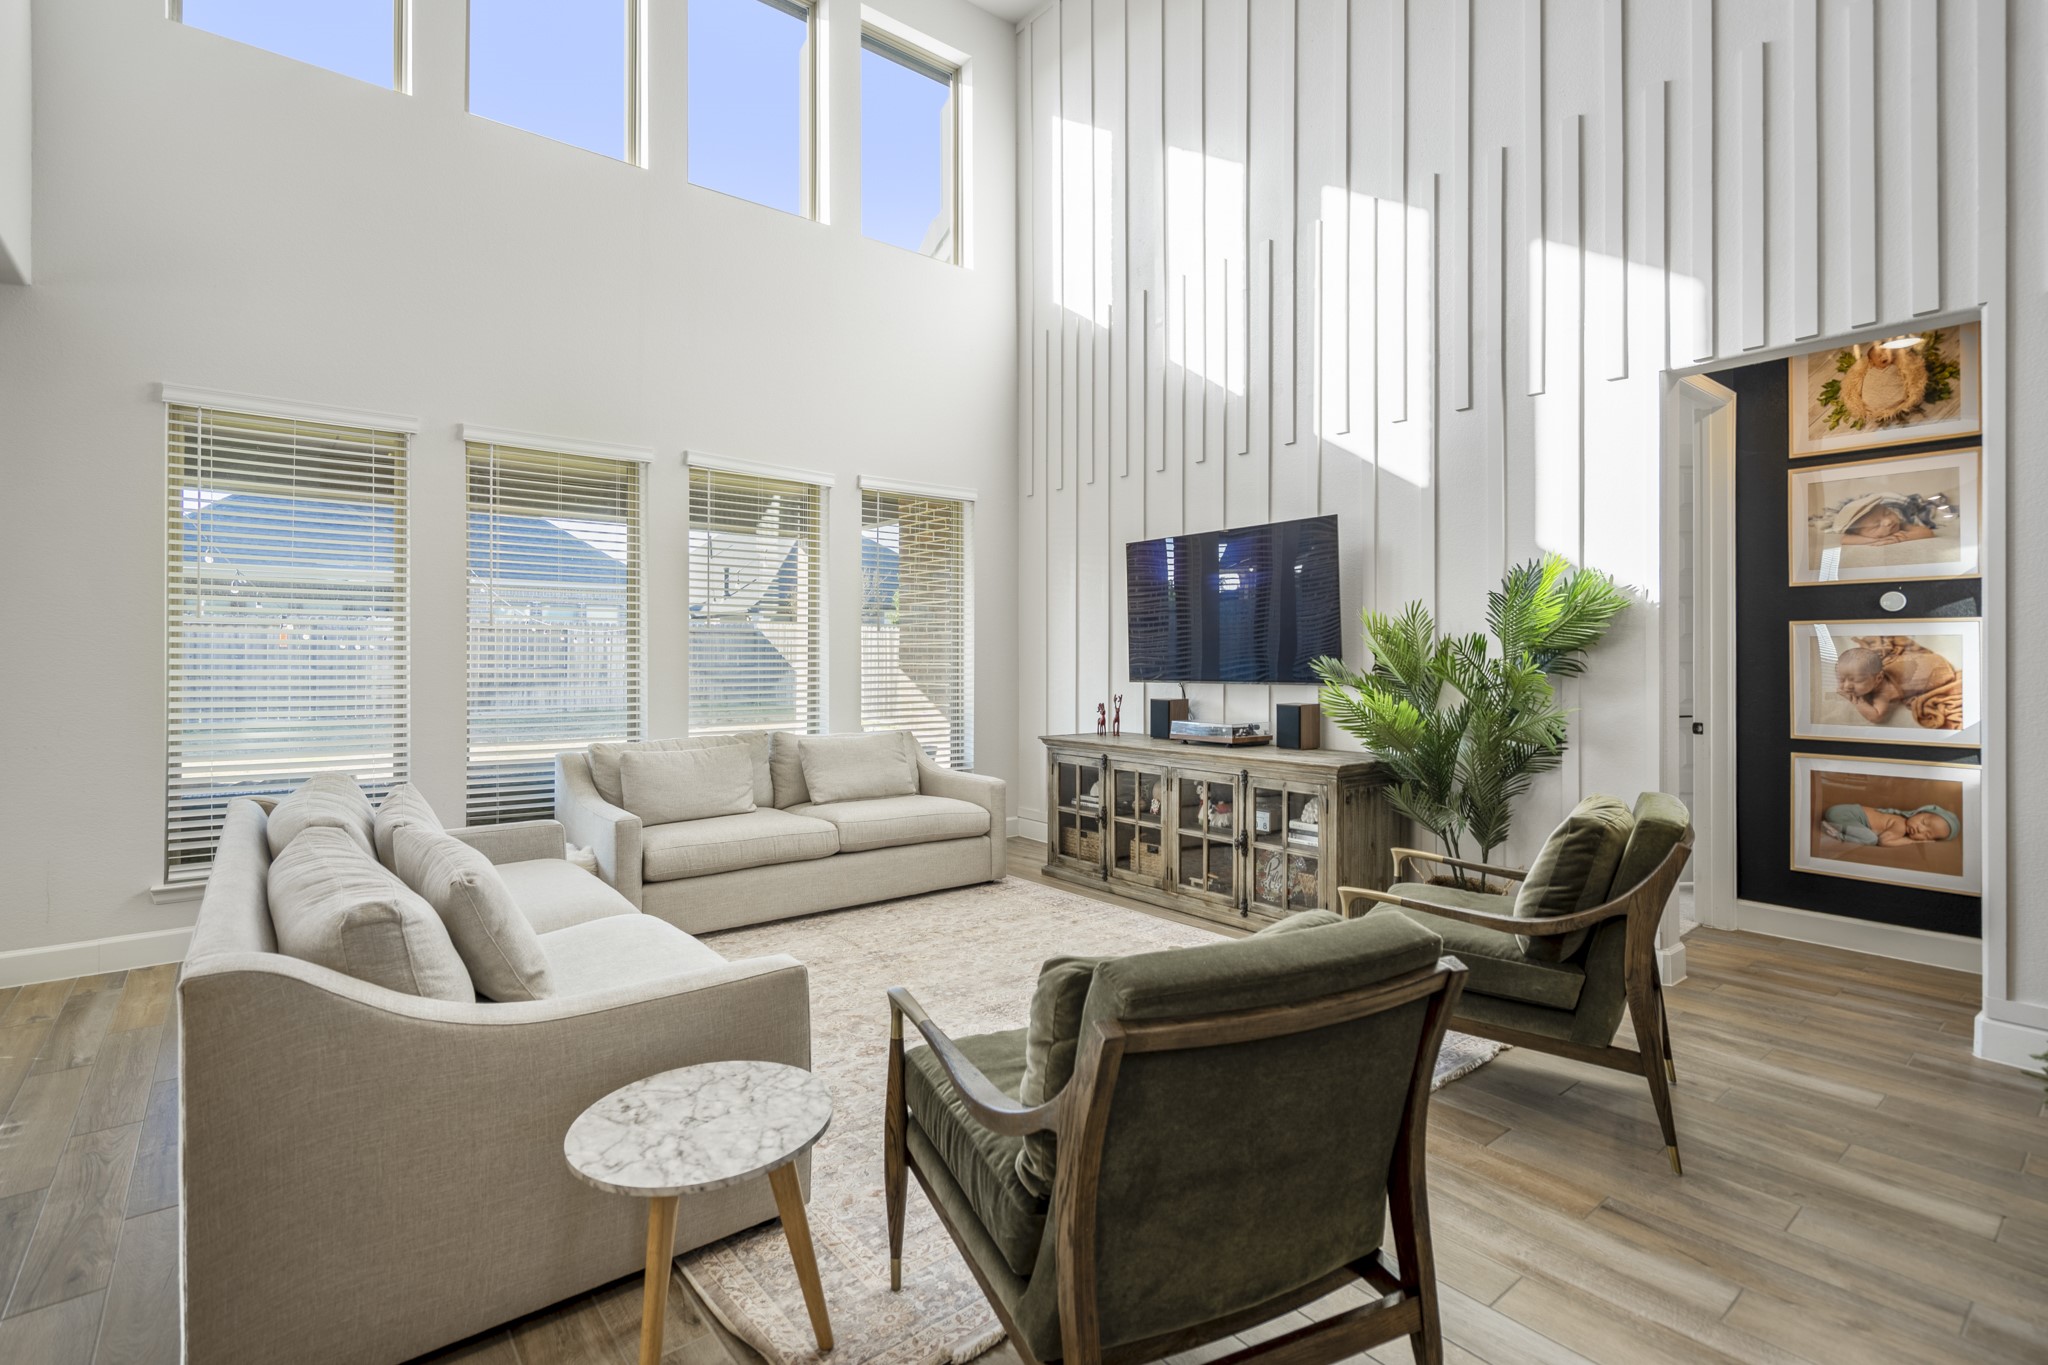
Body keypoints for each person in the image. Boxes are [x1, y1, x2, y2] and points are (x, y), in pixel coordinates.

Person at [1832, 639, 1963, 729]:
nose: (1847, 686)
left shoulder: (1884, 692)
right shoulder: (1875, 670)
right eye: (1842, 679)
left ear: (1878, 679)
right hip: (1926, 660)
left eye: (1857, 680)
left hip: (1941, 671)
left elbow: (1877, 717)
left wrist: (1857, 701)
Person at [1820, 802, 1958, 848]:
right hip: (1844, 815)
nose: (1920, 829)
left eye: (1927, 834)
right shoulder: (1901, 825)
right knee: (1871, 840)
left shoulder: (1898, 821)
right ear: (1918, 812)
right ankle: (1836, 833)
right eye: (1924, 822)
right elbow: (1883, 841)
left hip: (1841, 811)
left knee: (1869, 836)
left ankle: (1836, 827)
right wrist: (1910, 841)